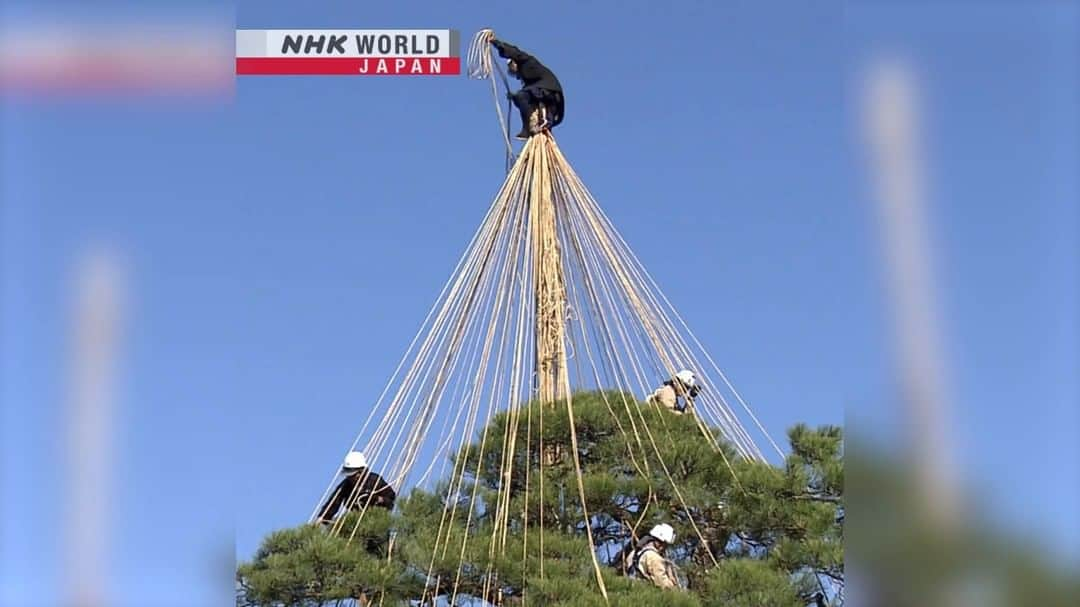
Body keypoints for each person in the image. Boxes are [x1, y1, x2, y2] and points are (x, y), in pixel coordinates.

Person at [490, 37, 565, 140]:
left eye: (514, 72)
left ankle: (533, 126)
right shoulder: (528, 81)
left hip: (549, 90)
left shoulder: (525, 60)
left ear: (514, 63)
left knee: (521, 96)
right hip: (544, 91)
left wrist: (495, 42)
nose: (517, 76)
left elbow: (513, 51)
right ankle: (530, 127)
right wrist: (513, 97)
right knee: (520, 97)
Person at [316, 451, 396, 524]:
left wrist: (377, 499)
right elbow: (334, 502)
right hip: (355, 524)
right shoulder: (345, 485)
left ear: (362, 471)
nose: (351, 478)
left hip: (376, 524)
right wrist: (323, 517)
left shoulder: (374, 480)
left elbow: (391, 498)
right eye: (349, 475)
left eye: (353, 475)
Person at [626, 523, 680, 590]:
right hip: (646, 593)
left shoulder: (636, 553)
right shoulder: (654, 557)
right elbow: (662, 583)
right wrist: (673, 586)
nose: (665, 548)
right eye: (665, 545)